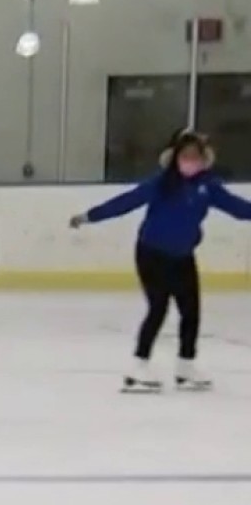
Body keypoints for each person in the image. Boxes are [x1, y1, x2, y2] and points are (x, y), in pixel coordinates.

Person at [70, 129, 251, 392]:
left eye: (195, 156)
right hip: (151, 253)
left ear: (204, 159)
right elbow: (127, 201)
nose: (190, 161)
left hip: (182, 257)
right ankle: (138, 366)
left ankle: (186, 366)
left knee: (191, 311)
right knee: (159, 307)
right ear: (175, 157)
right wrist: (90, 216)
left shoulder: (209, 186)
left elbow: (238, 208)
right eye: (185, 156)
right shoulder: (162, 183)